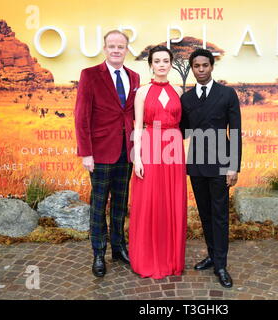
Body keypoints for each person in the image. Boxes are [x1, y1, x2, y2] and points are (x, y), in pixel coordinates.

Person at [74, 30, 140, 278]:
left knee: (121, 205)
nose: (116, 50)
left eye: (120, 46)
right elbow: (81, 117)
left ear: (126, 49)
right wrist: (86, 153)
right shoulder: (90, 75)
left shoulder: (134, 76)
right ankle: (98, 253)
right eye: (111, 46)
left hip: (126, 151)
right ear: (104, 49)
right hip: (100, 152)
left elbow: (132, 114)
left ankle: (119, 248)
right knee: (99, 204)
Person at [180, 48, 242, 288]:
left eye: (205, 65)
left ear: (212, 67)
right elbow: (182, 131)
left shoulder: (227, 94)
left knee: (219, 215)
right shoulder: (186, 99)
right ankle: (211, 255)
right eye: (196, 66)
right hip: (196, 164)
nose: (201, 70)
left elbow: (234, 132)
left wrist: (233, 166)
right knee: (205, 214)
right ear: (192, 68)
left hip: (220, 164)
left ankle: (221, 265)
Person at [129, 45, 187, 279]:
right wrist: (138, 158)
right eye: (157, 61)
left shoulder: (179, 92)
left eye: (165, 60)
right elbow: (137, 126)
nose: (162, 64)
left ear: (171, 64)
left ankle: (171, 258)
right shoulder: (142, 92)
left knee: (171, 201)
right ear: (150, 65)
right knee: (151, 201)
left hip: (173, 149)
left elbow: (183, 125)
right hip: (150, 145)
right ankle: (148, 258)